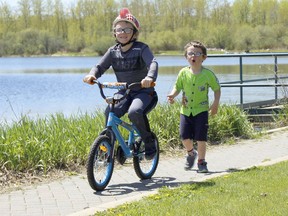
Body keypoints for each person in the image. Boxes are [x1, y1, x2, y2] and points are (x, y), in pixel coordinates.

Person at [83, 8, 158, 160]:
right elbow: (100, 67)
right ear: (115, 33)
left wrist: (149, 77)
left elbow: (153, 63)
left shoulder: (141, 48)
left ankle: (149, 142)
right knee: (109, 112)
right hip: (124, 92)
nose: (122, 32)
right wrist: (92, 75)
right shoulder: (113, 51)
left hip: (144, 92)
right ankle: (109, 145)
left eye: (127, 29)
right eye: (119, 30)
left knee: (134, 112)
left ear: (134, 33)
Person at [167, 41, 221, 173]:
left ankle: (201, 162)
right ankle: (191, 153)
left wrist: (215, 104)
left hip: (201, 111)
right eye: (190, 53)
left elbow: (217, 89)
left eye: (197, 54)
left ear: (204, 57)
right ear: (186, 56)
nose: (194, 56)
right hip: (185, 111)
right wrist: (172, 95)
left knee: (201, 138)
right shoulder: (183, 73)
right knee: (184, 137)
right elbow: (178, 86)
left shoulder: (208, 74)